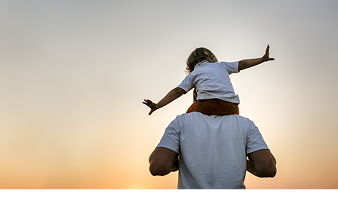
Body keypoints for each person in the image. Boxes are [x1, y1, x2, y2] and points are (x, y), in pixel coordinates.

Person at [148, 112, 276, 190]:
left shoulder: (181, 122)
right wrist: (237, 158)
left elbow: (158, 167)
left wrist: (184, 158)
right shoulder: (246, 124)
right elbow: (267, 168)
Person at [143, 45, 274, 116]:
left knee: (187, 120)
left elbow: (177, 92)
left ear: (191, 64)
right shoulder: (221, 65)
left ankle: (177, 156)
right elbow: (242, 64)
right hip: (231, 107)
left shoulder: (195, 73)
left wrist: (157, 105)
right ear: (212, 57)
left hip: (206, 104)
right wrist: (261, 59)